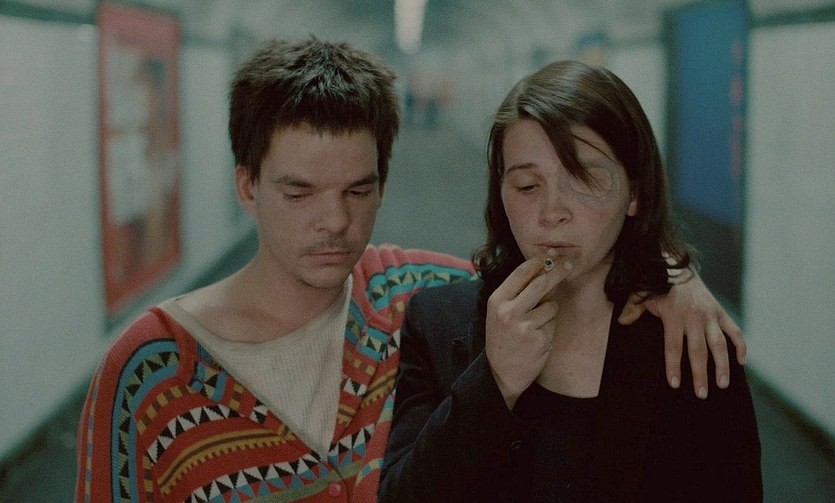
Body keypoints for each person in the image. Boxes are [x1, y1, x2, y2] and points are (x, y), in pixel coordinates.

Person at [75, 37, 746, 503]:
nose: (334, 221)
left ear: (384, 185)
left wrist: (672, 275)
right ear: (247, 186)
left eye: (358, 189)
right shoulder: (151, 368)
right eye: (299, 192)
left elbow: (572, 273)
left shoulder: (412, 291)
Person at [380, 60, 762, 502]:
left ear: (635, 193)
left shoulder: (690, 339)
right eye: (527, 186)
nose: (552, 212)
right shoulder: (437, 321)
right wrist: (493, 382)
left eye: (584, 179)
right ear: (501, 193)